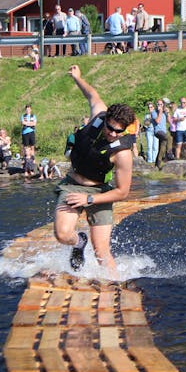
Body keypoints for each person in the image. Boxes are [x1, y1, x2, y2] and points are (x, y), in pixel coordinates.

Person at [53, 65, 136, 277]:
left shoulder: (123, 153)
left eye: (119, 131)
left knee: (101, 252)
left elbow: (122, 192)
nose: (113, 134)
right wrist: (77, 77)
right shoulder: (98, 116)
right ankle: (79, 242)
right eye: (110, 128)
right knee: (62, 234)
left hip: (99, 193)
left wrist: (89, 200)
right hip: (73, 185)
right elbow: (91, 94)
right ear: (106, 119)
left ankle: (115, 287)